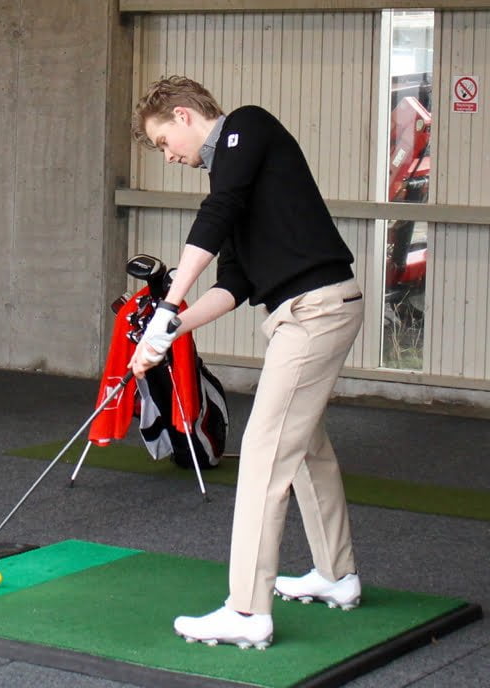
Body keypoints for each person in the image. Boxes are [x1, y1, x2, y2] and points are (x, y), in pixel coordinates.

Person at [129, 76, 365, 649]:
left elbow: (217, 213)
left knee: (263, 452)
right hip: (312, 311)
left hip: (314, 312)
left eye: (164, 143)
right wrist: (176, 327)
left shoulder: (248, 128)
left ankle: (246, 610)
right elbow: (234, 281)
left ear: (184, 116)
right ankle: (337, 575)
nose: (169, 156)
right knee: (305, 446)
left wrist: (166, 305)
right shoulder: (232, 173)